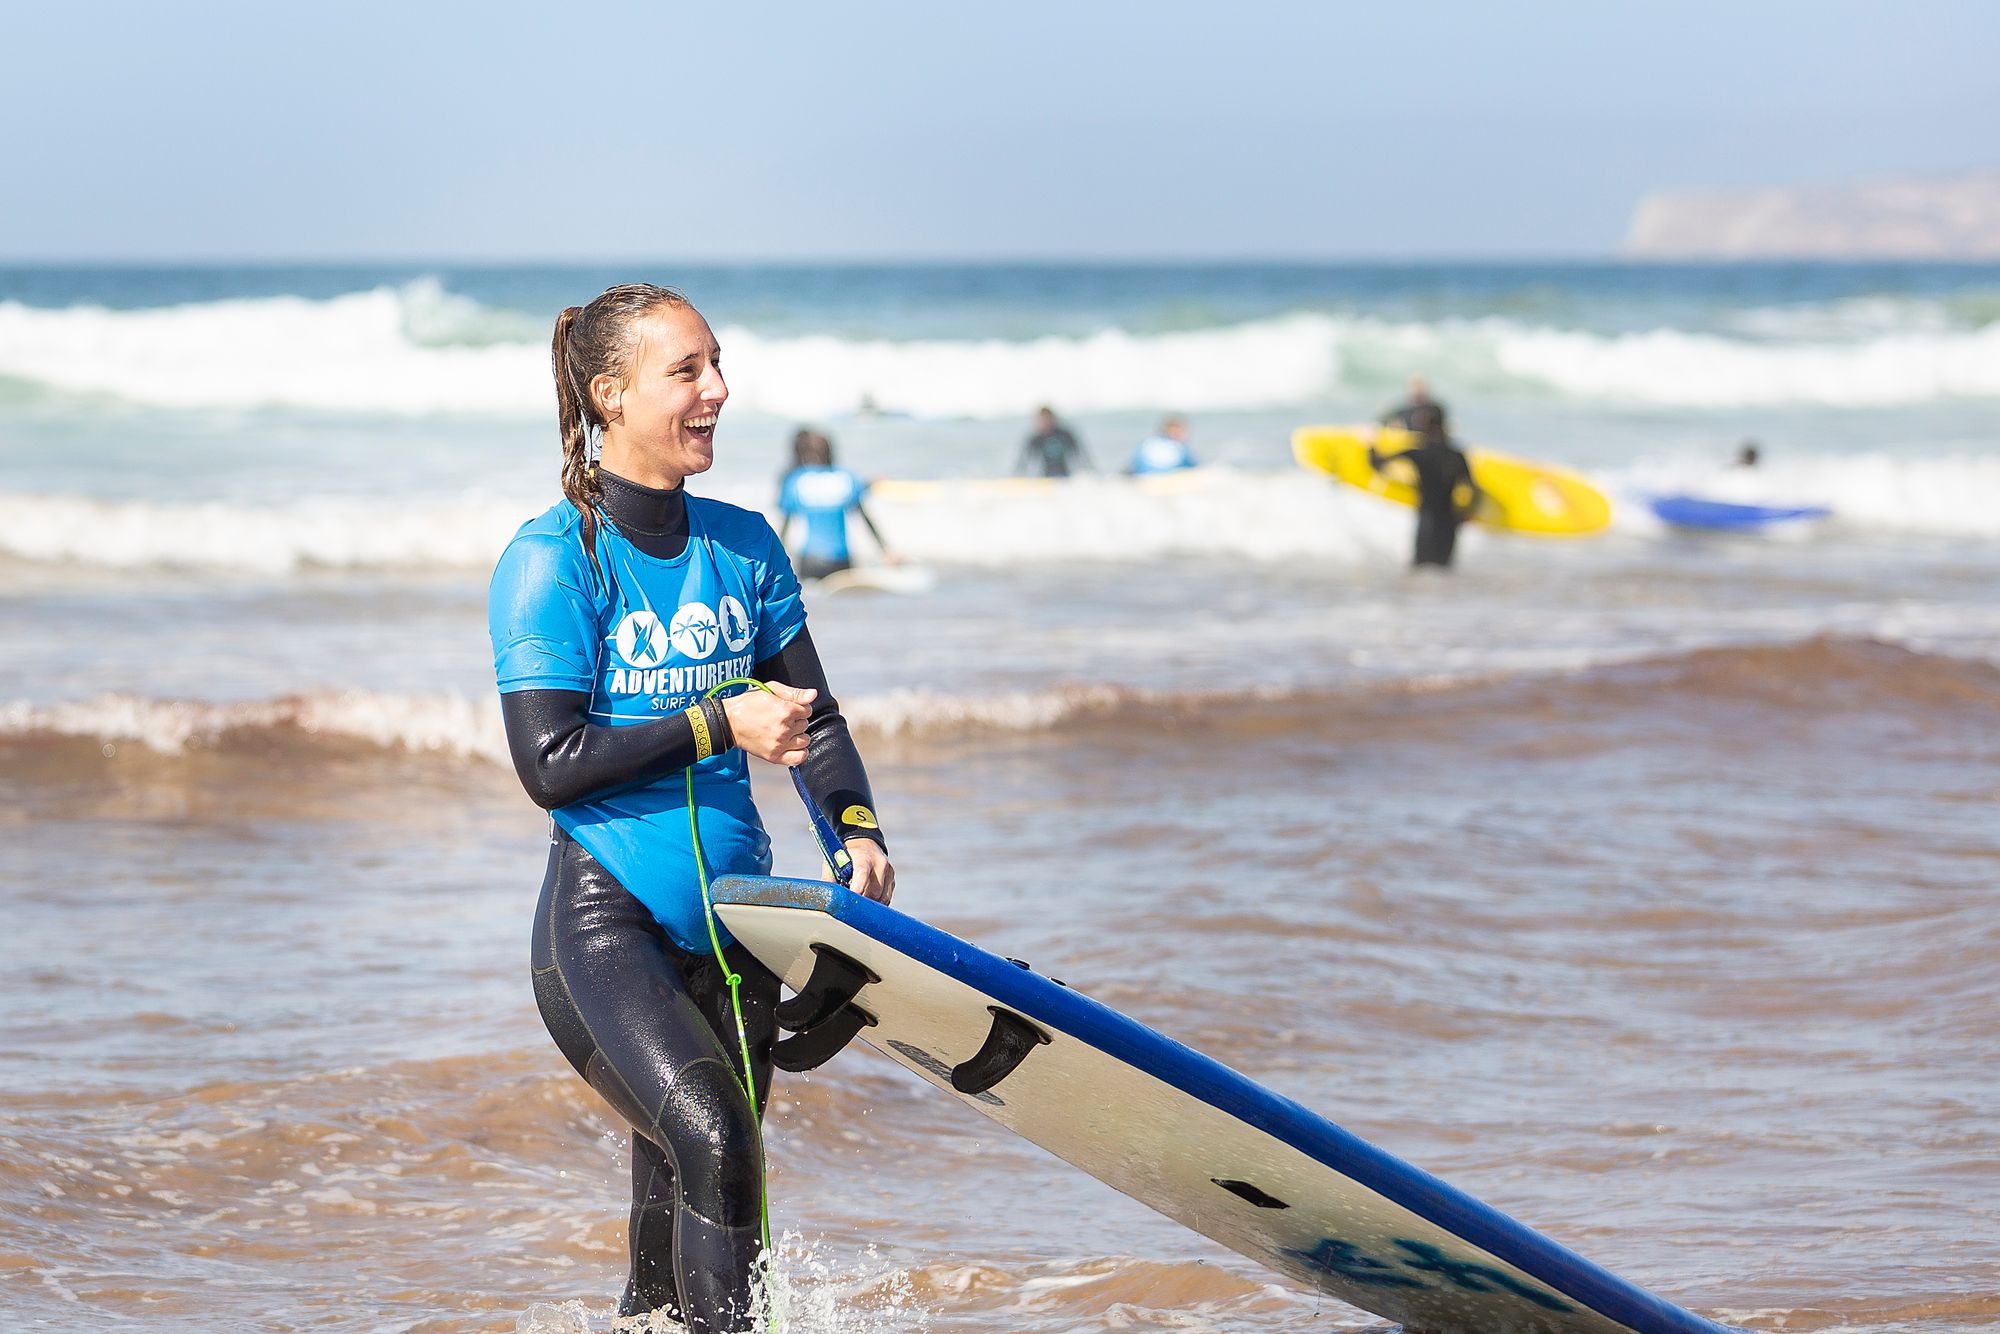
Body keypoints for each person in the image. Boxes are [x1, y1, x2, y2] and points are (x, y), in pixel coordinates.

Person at [486, 284, 895, 1333]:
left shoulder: (744, 544)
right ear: (608, 393)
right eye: (687, 371)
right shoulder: (551, 560)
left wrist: (855, 831)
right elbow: (551, 759)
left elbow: (816, 718)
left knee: (681, 1191)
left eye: (716, 364)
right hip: (603, 922)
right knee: (715, 1137)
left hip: (738, 925)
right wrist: (718, 723)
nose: (717, 389)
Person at [1369, 402, 1482, 569]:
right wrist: (1465, 514)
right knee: (1444, 573)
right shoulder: (1457, 456)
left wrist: (1369, 444)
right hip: (1449, 524)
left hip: (1427, 521)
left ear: (1427, 427)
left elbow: (1377, 463)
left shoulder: (1418, 453)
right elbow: (1474, 489)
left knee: (1420, 570)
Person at [776, 428, 897, 580]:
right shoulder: (846, 478)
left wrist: (776, 560)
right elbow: (865, 518)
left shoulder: (795, 480)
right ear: (831, 452)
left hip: (810, 561)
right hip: (841, 561)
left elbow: (786, 525)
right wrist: (885, 550)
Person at [1015, 405, 1094, 477]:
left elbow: (1082, 455)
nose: (1044, 423)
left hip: (1065, 477)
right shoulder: (1036, 439)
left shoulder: (1064, 435)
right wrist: (1017, 475)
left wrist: (1091, 472)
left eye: (1046, 419)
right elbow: (1023, 461)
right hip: (1045, 478)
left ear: (1052, 419)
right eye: (1041, 421)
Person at [1125, 415, 1198, 475]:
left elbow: (1134, 464)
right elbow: (1193, 466)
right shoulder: (1180, 447)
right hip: (1165, 478)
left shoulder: (1147, 443)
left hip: (1144, 477)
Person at [1379, 375, 1444, 432]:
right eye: (1414, 386)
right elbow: (1382, 421)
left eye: (1419, 385)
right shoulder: (1401, 411)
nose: (1417, 390)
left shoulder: (1434, 410)